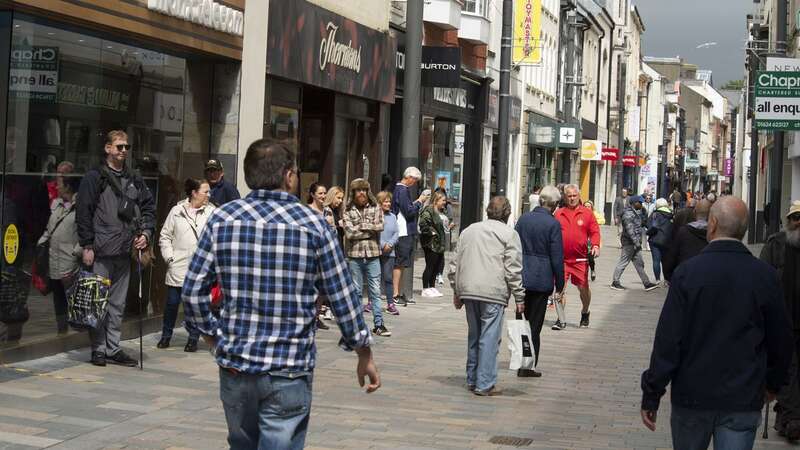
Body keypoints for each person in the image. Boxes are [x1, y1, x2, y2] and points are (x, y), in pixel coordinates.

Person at [182, 140, 380, 450]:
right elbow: (342, 294)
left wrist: (212, 335)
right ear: (288, 175)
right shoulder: (313, 224)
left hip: (236, 364)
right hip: (288, 367)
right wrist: (363, 351)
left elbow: (193, 291)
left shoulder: (221, 219)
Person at [640, 196, 793, 450]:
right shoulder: (764, 276)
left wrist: (652, 393)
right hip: (742, 396)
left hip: (692, 396)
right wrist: (773, 385)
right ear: (744, 231)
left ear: (712, 224)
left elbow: (668, 340)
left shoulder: (688, 273)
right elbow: (782, 339)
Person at [77, 130, 156, 367]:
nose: (123, 151)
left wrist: (146, 234)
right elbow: (83, 212)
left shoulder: (134, 178)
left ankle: (113, 348)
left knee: (117, 305)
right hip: (100, 250)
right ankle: (98, 349)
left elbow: (149, 208)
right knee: (98, 303)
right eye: (119, 147)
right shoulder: (95, 177)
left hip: (125, 250)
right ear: (108, 148)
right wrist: (87, 245)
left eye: (126, 147)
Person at [450, 196, 525, 396]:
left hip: (469, 290)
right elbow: (513, 269)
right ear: (508, 214)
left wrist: (456, 290)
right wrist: (519, 296)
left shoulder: (469, 231)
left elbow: (455, 263)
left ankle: (472, 378)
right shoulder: (509, 234)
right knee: (489, 338)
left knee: (475, 335)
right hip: (493, 292)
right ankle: (484, 383)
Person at [156, 178, 213, 352]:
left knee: (194, 305)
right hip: (178, 266)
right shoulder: (177, 211)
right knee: (172, 304)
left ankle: (193, 339)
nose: (208, 195)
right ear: (194, 193)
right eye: (205, 191)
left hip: (199, 268)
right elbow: (165, 236)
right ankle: (166, 336)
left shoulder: (212, 212)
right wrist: (169, 258)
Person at [760, 200, 800, 441]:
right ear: (788, 221)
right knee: (789, 369)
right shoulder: (776, 243)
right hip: (783, 321)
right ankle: (792, 420)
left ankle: (788, 419)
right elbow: (763, 277)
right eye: (795, 217)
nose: (798, 222)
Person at [515, 186, 564, 376]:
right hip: (542, 279)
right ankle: (527, 366)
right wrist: (560, 284)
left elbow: (514, 246)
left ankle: (522, 361)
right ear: (555, 205)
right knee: (535, 325)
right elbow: (557, 257)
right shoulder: (552, 224)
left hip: (522, 277)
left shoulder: (524, 219)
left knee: (522, 322)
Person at [342, 178, 391, 337]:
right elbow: (349, 233)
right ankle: (357, 325)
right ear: (354, 192)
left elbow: (380, 226)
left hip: (373, 255)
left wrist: (362, 227)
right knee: (356, 291)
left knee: (375, 291)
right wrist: (369, 230)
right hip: (355, 255)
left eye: (364, 190)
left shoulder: (376, 207)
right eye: (358, 190)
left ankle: (379, 324)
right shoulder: (348, 209)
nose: (361, 193)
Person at [554, 185, 601, 328]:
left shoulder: (587, 213)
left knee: (583, 288)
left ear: (579, 196)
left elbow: (594, 232)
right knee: (560, 289)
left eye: (575, 195)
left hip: (580, 260)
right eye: (569, 196)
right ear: (565, 197)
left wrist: (595, 245)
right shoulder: (558, 213)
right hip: (562, 259)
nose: (572, 198)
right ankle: (560, 318)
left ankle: (585, 312)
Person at [38, 176, 81, 334]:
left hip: (70, 262)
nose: (57, 187)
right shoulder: (57, 205)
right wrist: (40, 245)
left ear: (68, 187)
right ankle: (61, 331)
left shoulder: (81, 207)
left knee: (73, 298)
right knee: (58, 298)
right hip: (54, 259)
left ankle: (77, 331)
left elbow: (86, 235)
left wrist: (76, 253)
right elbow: (49, 229)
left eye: (60, 185)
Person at [391, 167, 430, 306]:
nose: (415, 183)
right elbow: (408, 211)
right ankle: (395, 294)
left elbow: (405, 208)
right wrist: (419, 201)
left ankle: (398, 293)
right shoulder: (402, 190)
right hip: (403, 231)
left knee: (401, 263)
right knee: (400, 263)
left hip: (403, 230)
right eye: (415, 180)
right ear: (409, 177)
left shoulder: (400, 189)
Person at [610, 195, 658, 291]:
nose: (641, 204)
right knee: (623, 262)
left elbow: (642, 223)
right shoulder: (628, 214)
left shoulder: (637, 212)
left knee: (639, 263)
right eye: (639, 203)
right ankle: (615, 282)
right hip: (629, 243)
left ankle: (646, 283)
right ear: (634, 203)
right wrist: (636, 243)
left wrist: (645, 213)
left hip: (636, 243)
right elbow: (630, 230)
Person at [662, 199, 711, 282]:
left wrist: (671, 278)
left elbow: (670, 259)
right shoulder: (715, 234)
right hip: (707, 280)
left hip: (685, 277)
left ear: (695, 212)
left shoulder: (683, 232)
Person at [307, 183, 331, 330]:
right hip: (310, 252)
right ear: (313, 194)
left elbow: (332, 231)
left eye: (324, 193)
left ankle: (316, 317)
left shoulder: (327, 212)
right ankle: (308, 318)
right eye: (320, 193)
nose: (323, 196)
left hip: (324, 253)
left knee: (322, 288)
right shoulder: (307, 210)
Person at [419, 191, 447, 298]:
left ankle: (432, 287)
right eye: (443, 200)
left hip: (439, 244)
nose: (444, 202)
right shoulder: (429, 210)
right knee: (430, 266)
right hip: (431, 243)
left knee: (436, 267)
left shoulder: (441, 211)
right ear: (436, 200)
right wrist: (432, 233)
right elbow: (423, 224)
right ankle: (425, 288)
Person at [377, 191, 400, 316]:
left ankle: (390, 303)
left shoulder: (392, 216)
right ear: (379, 203)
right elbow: (375, 232)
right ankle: (372, 302)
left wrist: (390, 244)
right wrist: (382, 244)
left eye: (389, 201)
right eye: (385, 201)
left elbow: (397, 232)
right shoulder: (376, 215)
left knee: (388, 278)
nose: (388, 203)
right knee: (375, 278)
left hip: (390, 252)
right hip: (376, 251)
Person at [646, 198, 673, 285]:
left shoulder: (655, 214)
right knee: (665, 261)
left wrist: (648, 232)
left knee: (656, 260)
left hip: (655, 240)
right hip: (667, 240)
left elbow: (652, 225)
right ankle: (666, 280)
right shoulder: (671, 214)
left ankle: (657, 280)